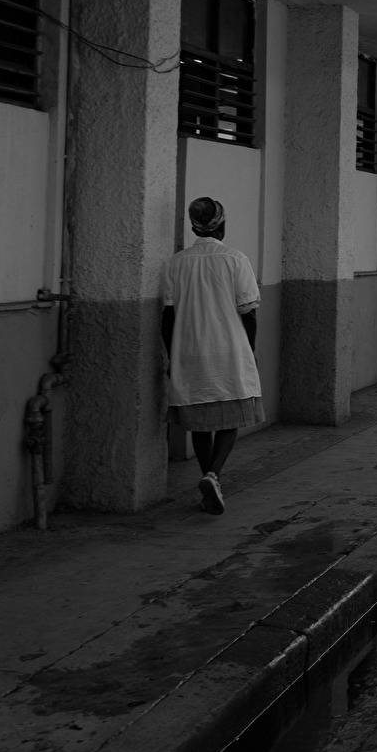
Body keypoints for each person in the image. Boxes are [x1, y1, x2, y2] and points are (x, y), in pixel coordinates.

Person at [162, 197, 262, 515]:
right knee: (230, 419)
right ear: (222, 226)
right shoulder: (235, 259)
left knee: (201, 424)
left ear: (194, 227)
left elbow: (168, 317)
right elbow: (248, 312)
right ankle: (213, 474)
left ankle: (209, 482)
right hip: (229, 349)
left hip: (189, 350)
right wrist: (250, 350)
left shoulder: (176, 263)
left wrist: (170, 357)